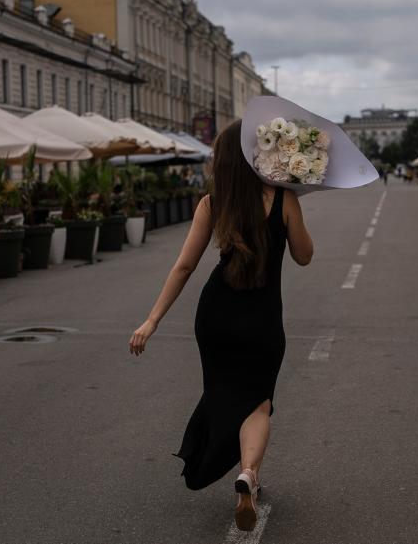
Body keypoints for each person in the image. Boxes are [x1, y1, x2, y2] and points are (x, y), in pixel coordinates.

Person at [128, 119, 314, 532]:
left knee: (226, 392)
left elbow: (185, 266)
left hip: (215, 316)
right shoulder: (283, 200)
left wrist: (152, 319)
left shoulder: (213, 203)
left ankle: (246, 473)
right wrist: (294, 202)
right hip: (262, 319)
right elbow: (304, 256)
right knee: (259, 401)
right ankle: (248, 473)